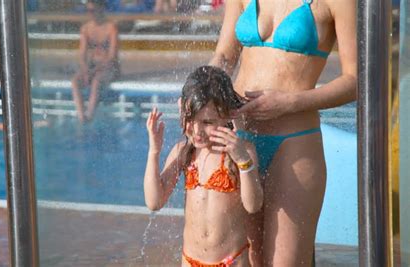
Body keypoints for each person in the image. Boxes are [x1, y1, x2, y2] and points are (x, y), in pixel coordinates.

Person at [209, 0, 357, 265]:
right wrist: (199, 93)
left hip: (293, 142)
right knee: (243, 259)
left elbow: (355, 80)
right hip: (239, 138)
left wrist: (290, 103)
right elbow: (224, 57)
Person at [144, 66, 263, 266]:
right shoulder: (183, 152)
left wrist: (243, 161)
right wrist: (154, 152)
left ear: (227, 115)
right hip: (190, 261)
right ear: (182, 108)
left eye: (207, 122)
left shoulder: (242, 153)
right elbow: (154, 201)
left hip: (232, 262)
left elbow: (253, 205)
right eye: (191, 120)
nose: (197, 130)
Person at [71, 0, 120, 123]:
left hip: (109, 68)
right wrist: (86, 70)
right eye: (88, 10)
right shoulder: (86, 29)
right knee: (75, 82)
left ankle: (90, 116)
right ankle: (81, 116)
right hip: (92, 67)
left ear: (101, 9)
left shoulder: (111, 28)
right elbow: (82, 55)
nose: (91, 13)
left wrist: (94, 71)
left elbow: (112, 57)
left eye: (93, 10)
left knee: (97, 81)